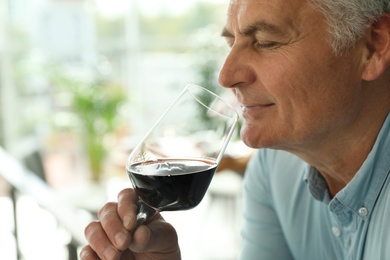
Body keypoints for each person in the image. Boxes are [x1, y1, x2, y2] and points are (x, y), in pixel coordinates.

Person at [80, 0, 390, 259]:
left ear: (373, 47)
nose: (226, 76)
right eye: (231, 42)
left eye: (266, 42)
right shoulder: (273, 168)